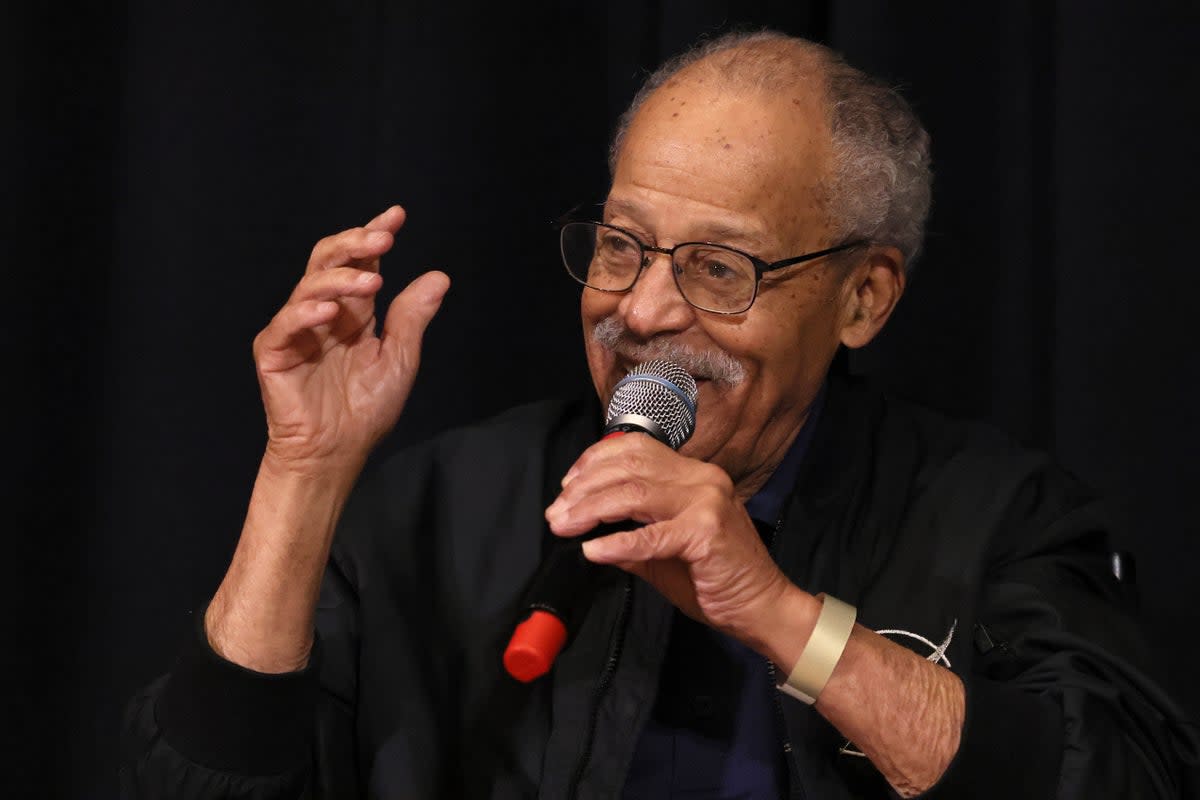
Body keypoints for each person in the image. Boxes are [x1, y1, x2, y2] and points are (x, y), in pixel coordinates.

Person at [121, 31, 1197, 799]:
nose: (639, 310)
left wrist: (775, 609)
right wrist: (305, 469)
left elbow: (1114, 776)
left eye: (719, 268)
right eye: (622, 245)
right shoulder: (451, 501)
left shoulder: (997, 512)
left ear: (863, 297)